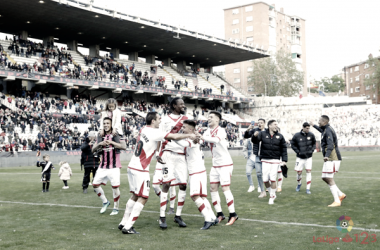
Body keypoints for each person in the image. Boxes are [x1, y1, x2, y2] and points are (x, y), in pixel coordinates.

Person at [118, 112, 197, 234]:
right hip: (141, 169)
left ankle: (123, 222)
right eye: (159, 119)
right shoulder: (154, 132)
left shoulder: (143, 129)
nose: (161, 121)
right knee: (143, 198)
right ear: (153, 121)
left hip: (131, 166)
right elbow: (174, 137)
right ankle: (128, 227)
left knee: (135, 195)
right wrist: (188, 135)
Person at [173, 120, 219, 229]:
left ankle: (207, 219)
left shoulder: (192, 139)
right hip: (200, 170)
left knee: (194, 196)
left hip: (196, 172)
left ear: (190, 129)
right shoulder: (195, 137)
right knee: (202, 197)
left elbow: (182, 143)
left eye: (184, 127)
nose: (182, 129)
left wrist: (171, 137)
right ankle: (213, 217)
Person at [154, 98, 189, 229]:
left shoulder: (186, 119)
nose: (183, 105)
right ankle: (162, 216)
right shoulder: (165, 119)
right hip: (167, 153)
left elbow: (189, 134)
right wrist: (157, 153)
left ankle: (178, 216)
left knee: (183, 185)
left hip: (181, 155)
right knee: (166, 184)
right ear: (174, 105)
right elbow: (159, 137)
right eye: (181, 104)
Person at [199, 111, 238, 225]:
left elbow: (215, 140)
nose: (208, 119)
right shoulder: (207, 131)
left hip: (225, 163)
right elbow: (202, 140)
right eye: (208, 117)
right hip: (215, 164)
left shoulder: (221, 130)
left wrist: (202, 137)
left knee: (225, 188)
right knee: (213, 189)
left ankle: (233, 214)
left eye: (211, 117)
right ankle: (220, 214)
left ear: (217, 119)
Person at [91, 117, 126, 215]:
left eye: (108, 123)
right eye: (104, 123)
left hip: (114, 166)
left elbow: (124, 146)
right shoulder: (100, 135)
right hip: (103, 166)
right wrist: (100, 144)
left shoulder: (117, 134)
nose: (106, 125)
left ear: (111, 125)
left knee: (115, 187)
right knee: (95, 184)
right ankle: (105, 202)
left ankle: (116, 208)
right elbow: (93, 149)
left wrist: (111, 142)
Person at [310, 116, 346, 207]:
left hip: (332, 158)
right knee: (324, 177)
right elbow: (321, 130)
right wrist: (313, 125)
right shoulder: (325, 129)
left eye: (319, 121)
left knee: (329, 178)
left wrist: (326, 156)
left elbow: (331, 145)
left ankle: (337, 201)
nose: (318, 122)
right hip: (329, 158)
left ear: (324, 122)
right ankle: (340, 194)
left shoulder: (328, 130)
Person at [252, 120, 287, 205]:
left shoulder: (280, 136)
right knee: (265, 179)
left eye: (276, 124)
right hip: (265, 159)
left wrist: (284, 160)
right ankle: (273, 193)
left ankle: (271, 197)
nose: (276, 126)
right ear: (269, 126)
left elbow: (284, 149)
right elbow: (255, 141)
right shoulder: (262, 134)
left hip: (275, 160)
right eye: (275, 124)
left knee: (272, 178)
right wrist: (254, 136)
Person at [291, 122, 316, 194]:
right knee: (299, 172)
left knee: (308, 171)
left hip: (309, 157)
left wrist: (312, 150)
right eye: (307, 128)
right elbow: (292, 144)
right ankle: (299, 184)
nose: (308, 129)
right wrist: (297, 151)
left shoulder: (311, 135)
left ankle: (308, 189)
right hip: (300, 157)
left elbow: (314, 143)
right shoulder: (296, 135)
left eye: (309, 128)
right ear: (303, 127)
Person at [243, 119, 266, 198]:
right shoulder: (254, 130)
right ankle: (260, 188)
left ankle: (267, 188)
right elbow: (246, 136)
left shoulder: (267, 131)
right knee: (258, 173)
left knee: (266, 174)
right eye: (258, 123)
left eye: (261, 123)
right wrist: (248, 129)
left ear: (264, 124)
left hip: (265, 155)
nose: (259, 124)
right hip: (256, 155)